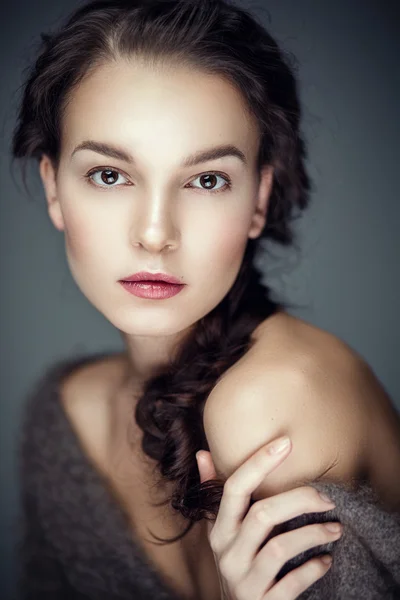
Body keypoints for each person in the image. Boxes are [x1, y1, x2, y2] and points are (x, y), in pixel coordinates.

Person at [11, 0, 400, 599]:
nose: (155, 232)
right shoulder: (65, 416)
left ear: (259, 199)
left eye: (207, 180)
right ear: (53, 187)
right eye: (110, 175)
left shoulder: (271, 408)